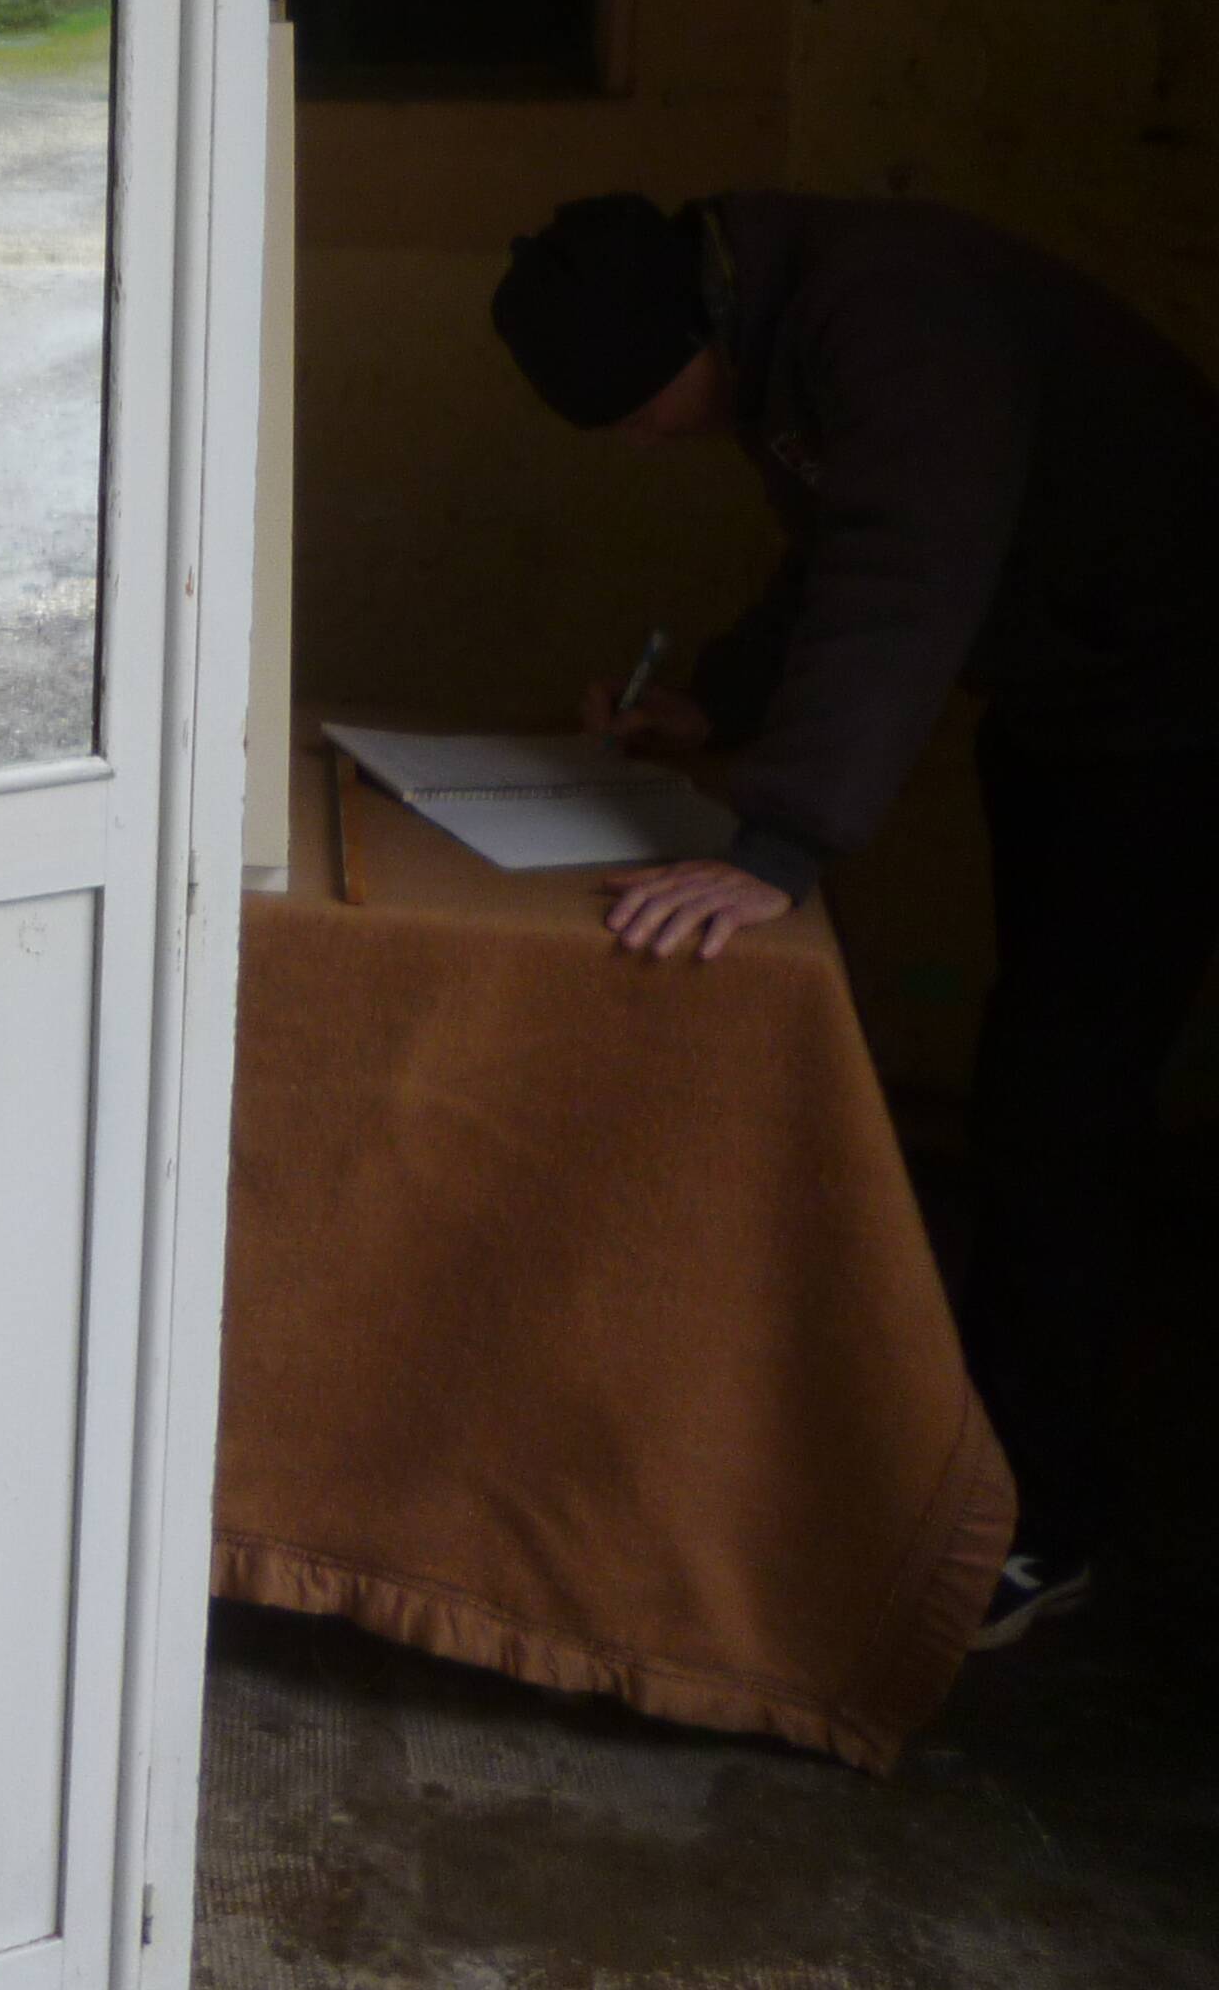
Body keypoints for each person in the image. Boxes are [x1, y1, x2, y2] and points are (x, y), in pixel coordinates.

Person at [491, 189, 1219, 1651]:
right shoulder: (782, 316)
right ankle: (999, 1459)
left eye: (638, 411)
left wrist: (781, 843)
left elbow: (905, 561)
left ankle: (1044, 1525)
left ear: (687, 334)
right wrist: (724, 703)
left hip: (1177, 705)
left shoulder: (887, 316)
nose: (643, 441)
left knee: (1054, 1108)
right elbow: (832, 550)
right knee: (1045, 1095)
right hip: (1073, 701)